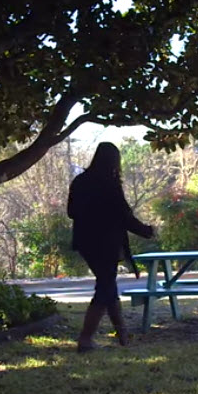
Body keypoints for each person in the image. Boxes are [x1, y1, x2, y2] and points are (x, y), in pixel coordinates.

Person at [67, 142, 155, 352]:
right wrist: (147, 231)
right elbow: (124, 216)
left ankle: (122, 335)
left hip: (85, 243)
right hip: (106, 243)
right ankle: (85, 339)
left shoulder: (80, 181)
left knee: (108, 286)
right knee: (105, 287)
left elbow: (71, 212)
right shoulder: (110, 183)